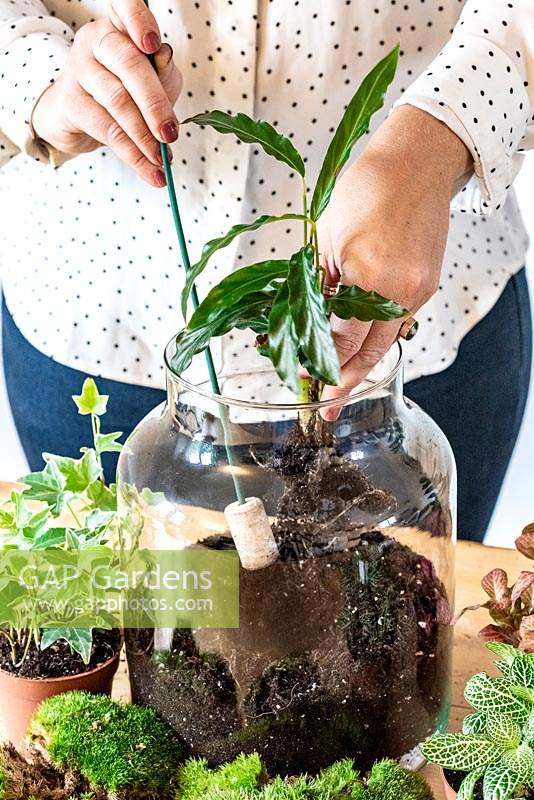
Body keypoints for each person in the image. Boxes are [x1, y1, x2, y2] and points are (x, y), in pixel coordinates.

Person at [0, 0, 532, 542]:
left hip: (431, 329)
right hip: (98, 316)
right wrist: (33, 78)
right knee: (126, 616)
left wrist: (437, 138)